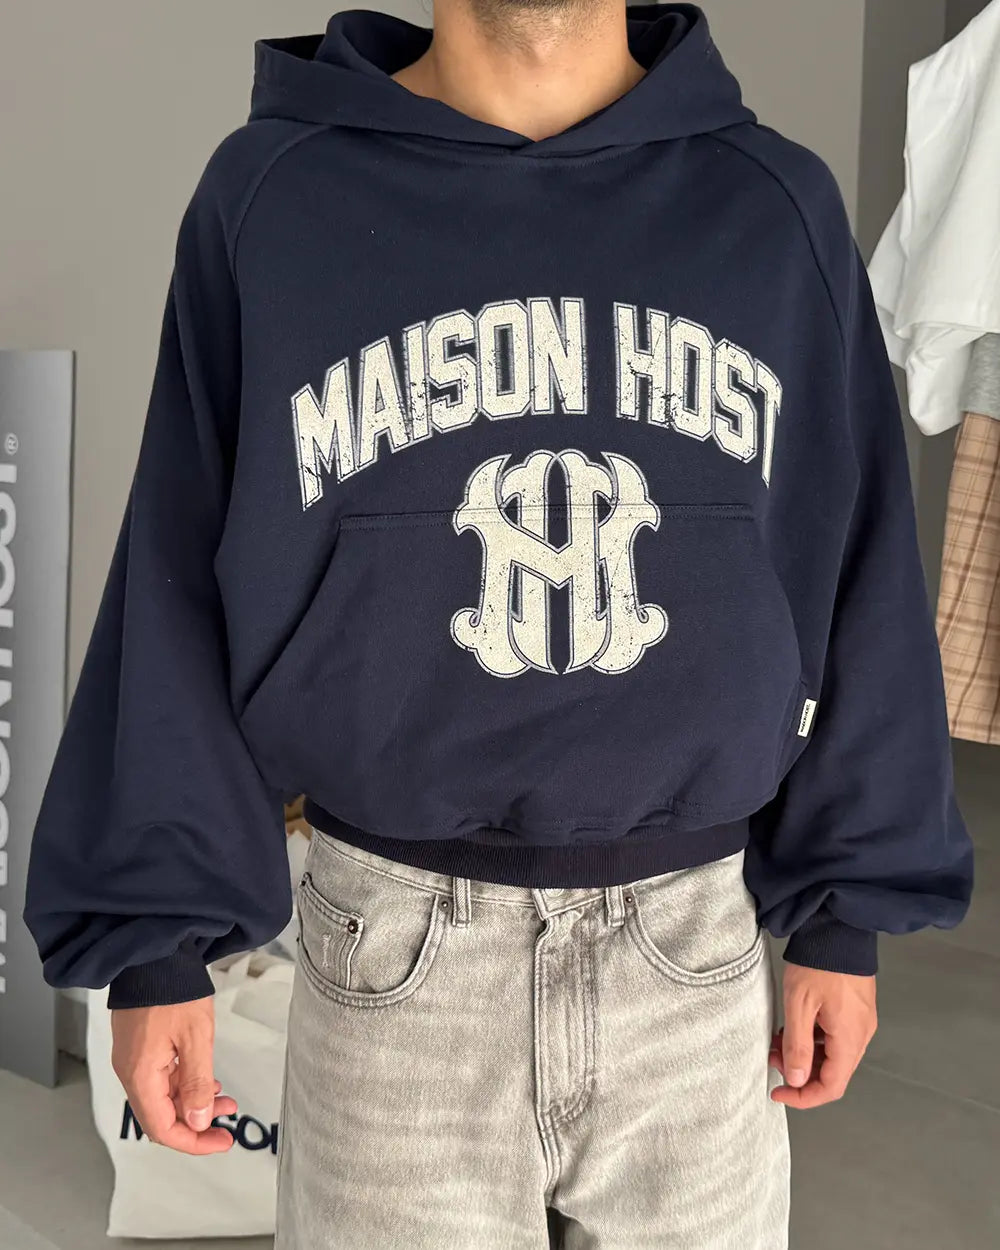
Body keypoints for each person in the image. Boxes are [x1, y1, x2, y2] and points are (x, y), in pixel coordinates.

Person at [23, 3, 974, 1247]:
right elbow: (176, 570)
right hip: (392, 949)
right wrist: (158, 940)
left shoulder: (774, 207)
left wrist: (846, 912)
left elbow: (859, 566)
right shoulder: (273, 198)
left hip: (692, 949)